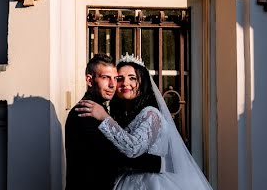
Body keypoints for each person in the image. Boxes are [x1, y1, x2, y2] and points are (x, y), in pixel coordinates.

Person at [76, 55, 213, 190]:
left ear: (143, 82)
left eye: (132, 78)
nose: (125, 83)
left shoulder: (151, 114)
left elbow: (133, 149)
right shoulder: (122, 116)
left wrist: (104, 117)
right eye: (120, 78)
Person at [65, 54, 163, 189]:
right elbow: (115, 156)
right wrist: (160, 162)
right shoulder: (86, 111)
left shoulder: (101, 111)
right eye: (105, 77)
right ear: (89, 80)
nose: (112, 85)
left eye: (115, 78)